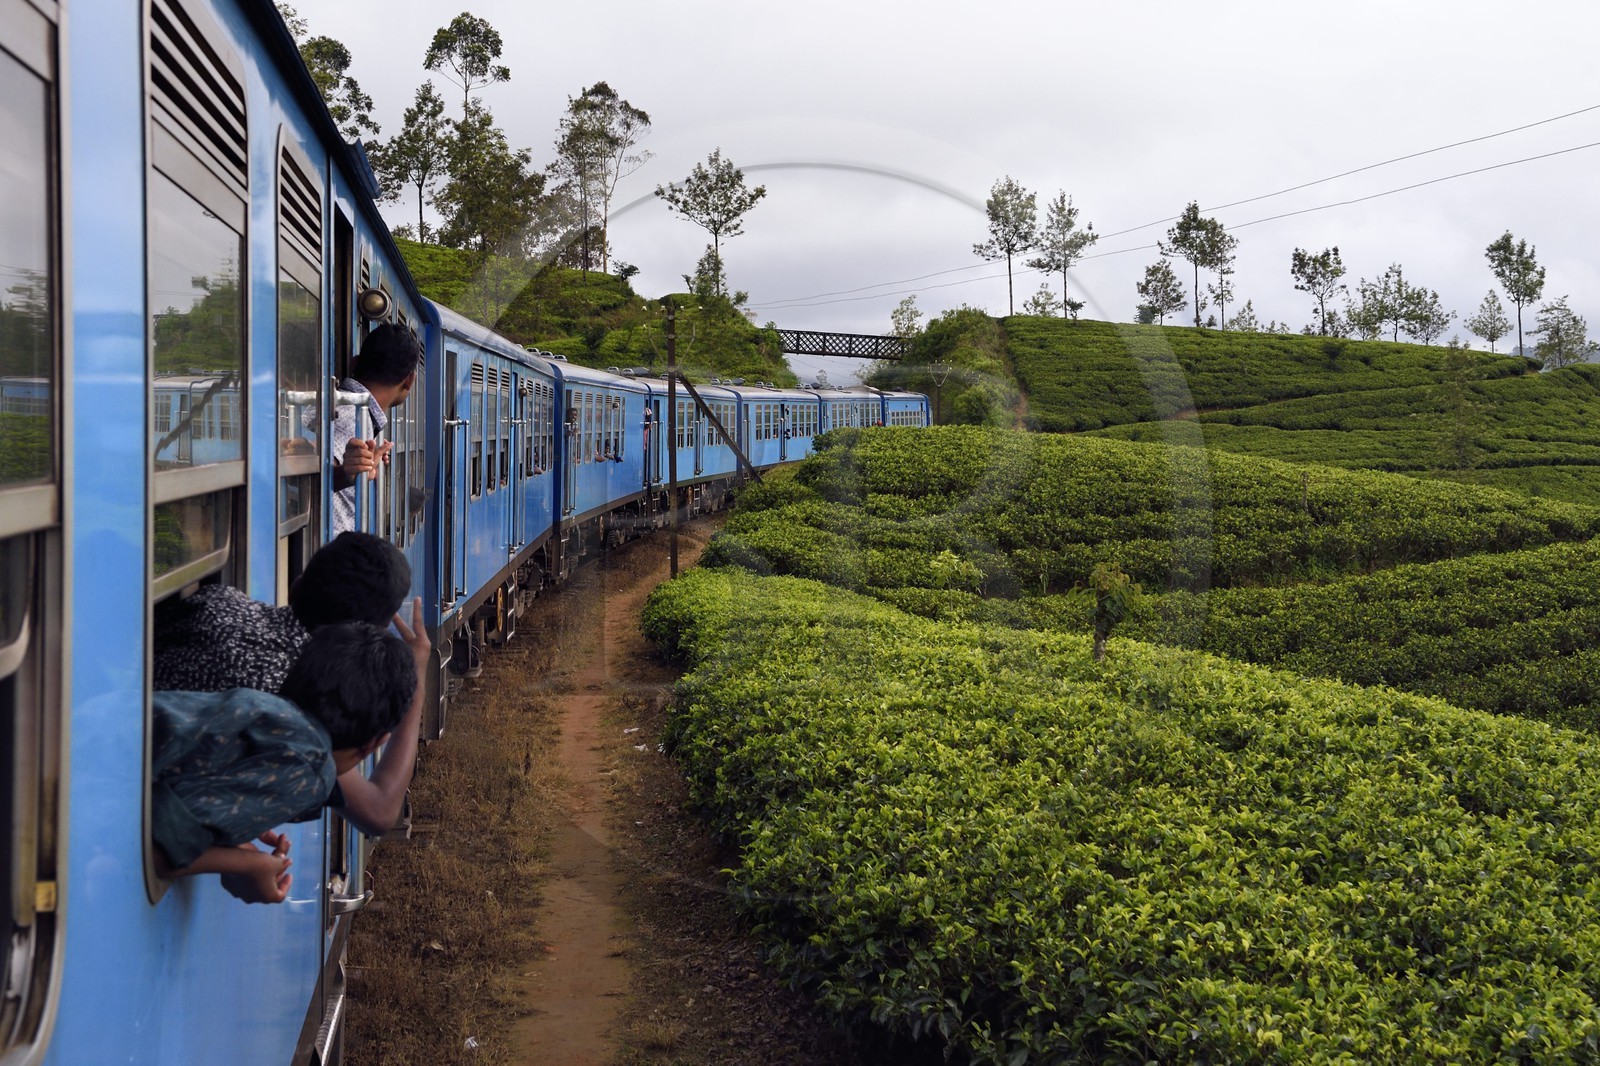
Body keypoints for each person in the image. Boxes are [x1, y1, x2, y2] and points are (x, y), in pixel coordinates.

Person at [152, 532, 426, 840]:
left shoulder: (219, 600)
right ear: (365, 640)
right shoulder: (298, 699)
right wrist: (415, 680)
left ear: (296, 586)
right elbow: (379, 812)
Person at [151, 615, 427, 904]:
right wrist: (251, 865)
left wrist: (232, 839)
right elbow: (155, 848)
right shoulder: (311, 769)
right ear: (375, 743)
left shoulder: (263, 706)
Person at [331, 322, 423, 534]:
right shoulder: (350, 416)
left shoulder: (352, 413)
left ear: (355, 363)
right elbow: (318, 474)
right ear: (409, 380)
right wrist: (349, 472)